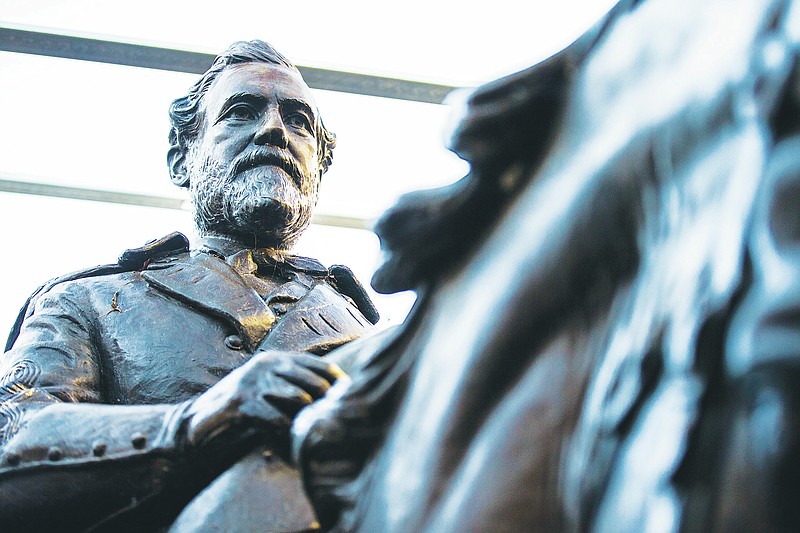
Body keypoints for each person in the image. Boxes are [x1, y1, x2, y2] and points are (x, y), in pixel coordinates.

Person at [0, 40, 378, 531]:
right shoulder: (86, 301)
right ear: (182, 158)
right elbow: (11, 441)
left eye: (298, 121)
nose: (273, 130)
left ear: (316, 171)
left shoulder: (372, 334)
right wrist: (192, 424)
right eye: (241, 112)